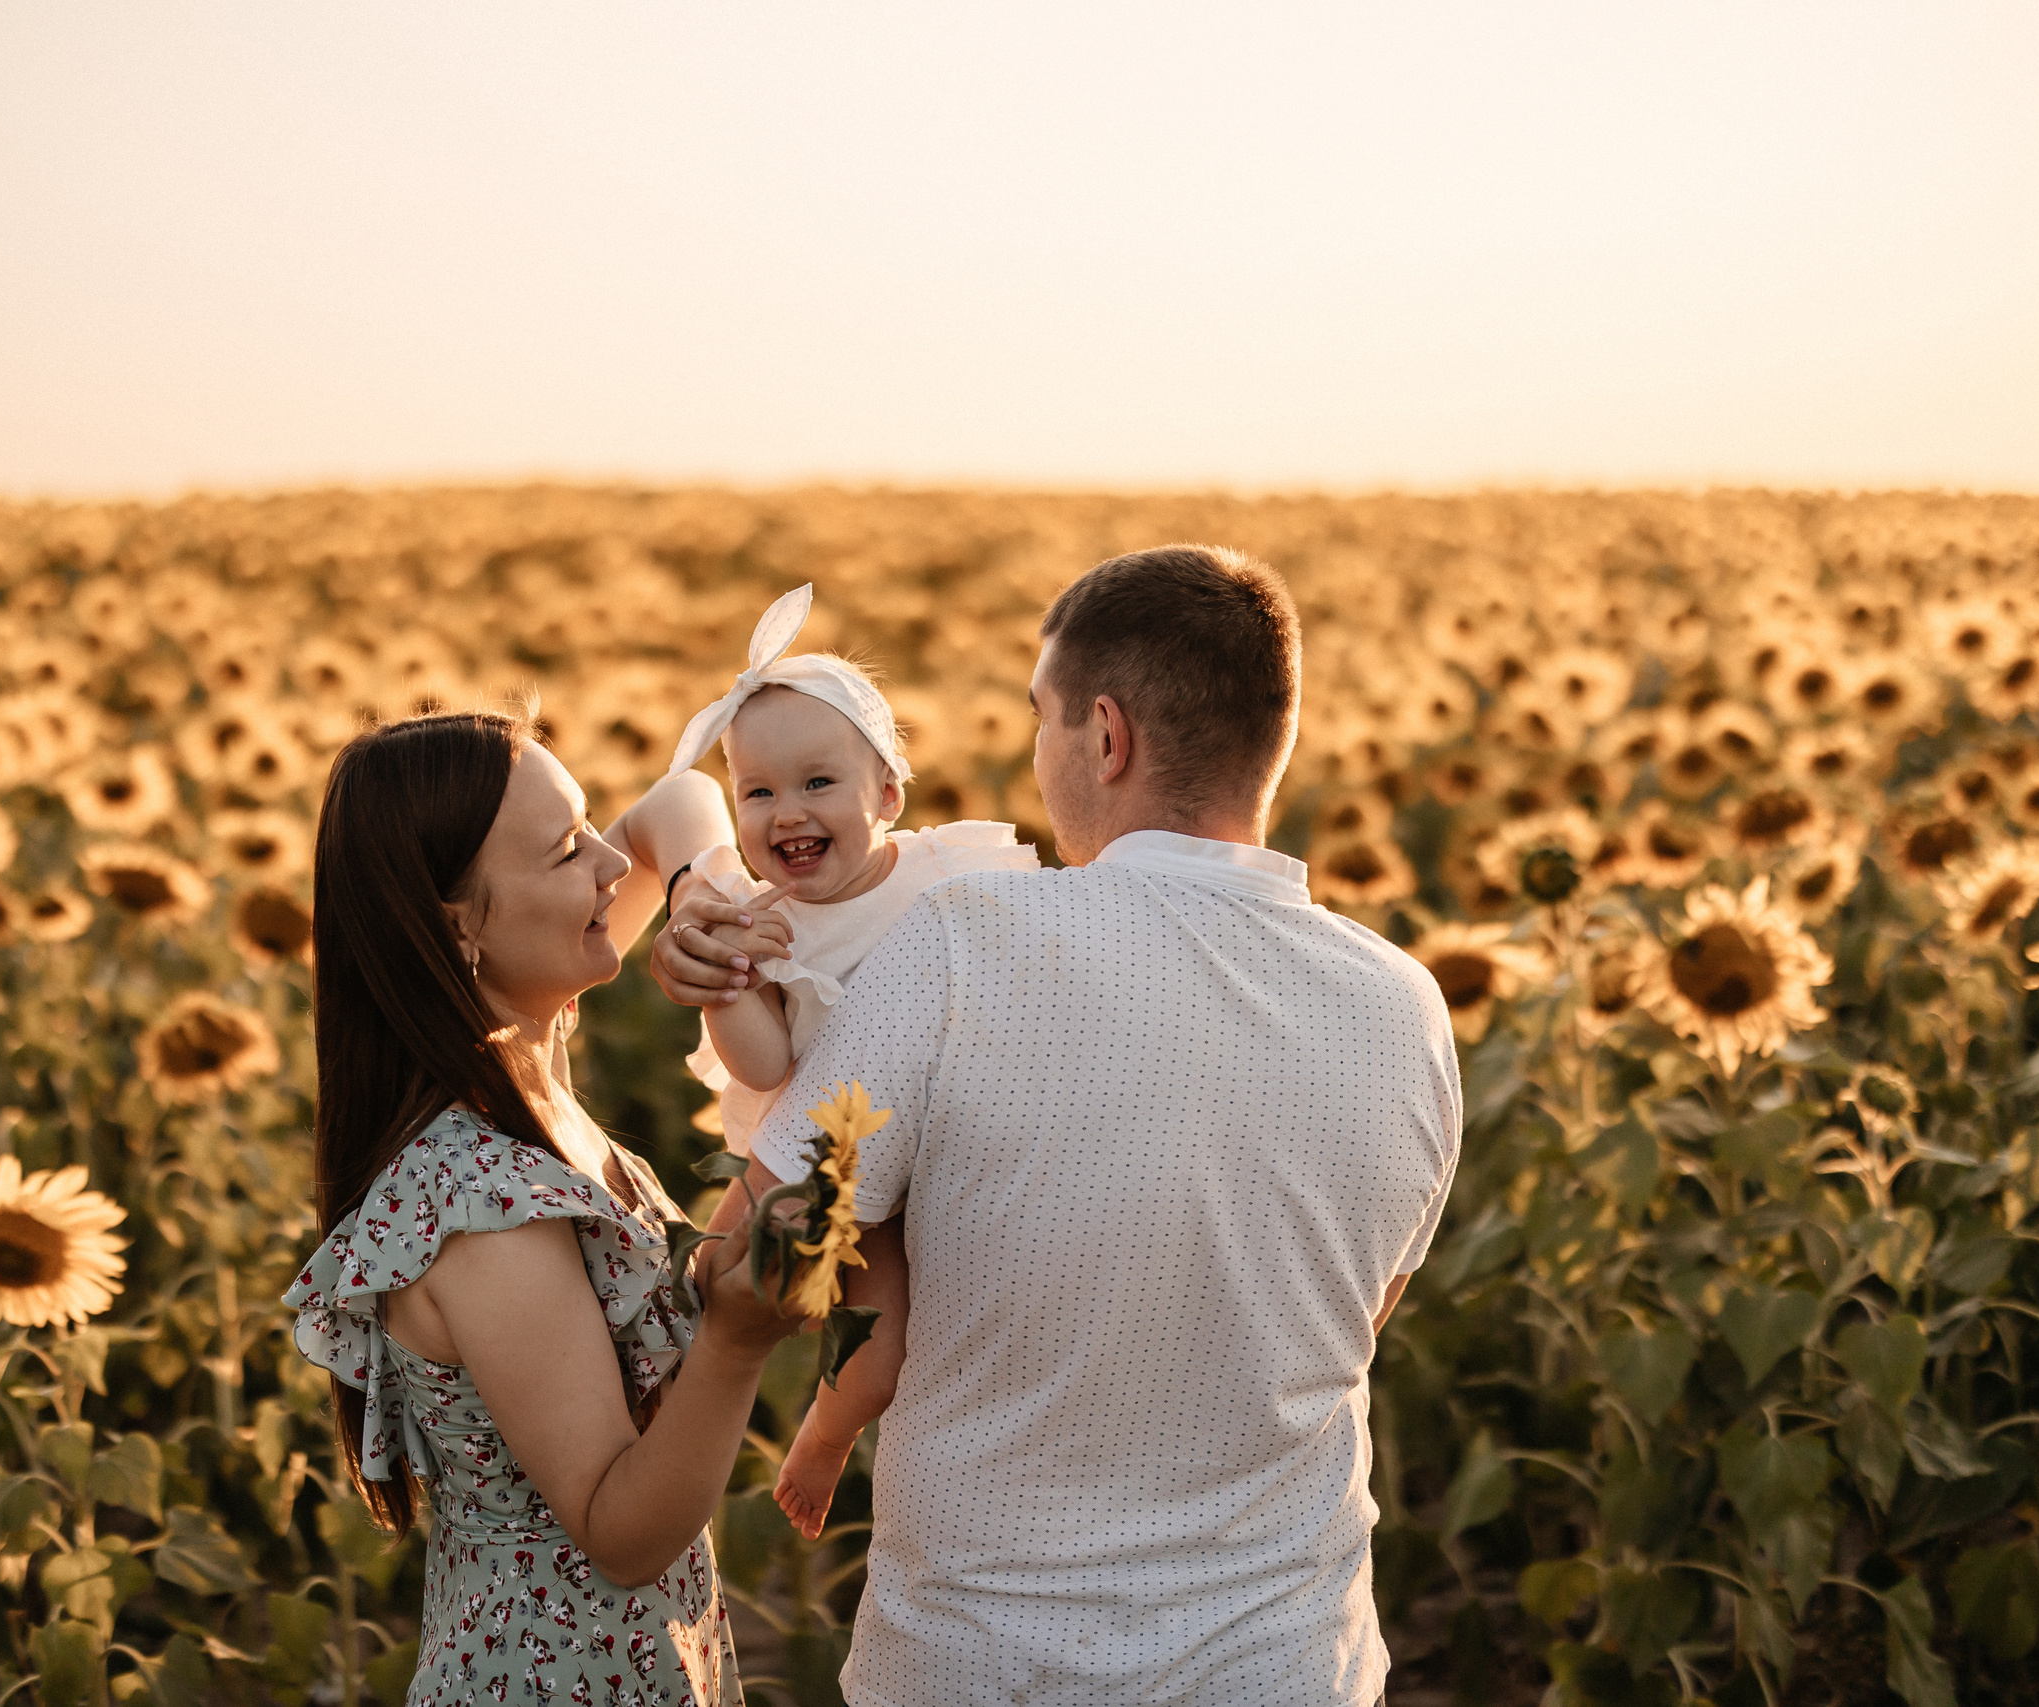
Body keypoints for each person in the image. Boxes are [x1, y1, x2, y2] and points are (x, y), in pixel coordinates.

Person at [654, 546, 1464, 1705]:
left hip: (985, 1663)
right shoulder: (1404, 1006)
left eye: (1041, 719)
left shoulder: (961, 949)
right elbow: (1358, 1312)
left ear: (1104, 734)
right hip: (1285, 1662)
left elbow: (768, 1260)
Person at [284, 711, 816, 1707]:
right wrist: (735, 1342)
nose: (614, 861)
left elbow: (673, 806)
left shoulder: (520, 1052)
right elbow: (618, 1531)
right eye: (569, 849)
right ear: (460, 928)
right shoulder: (487, 1209)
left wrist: (702, 892)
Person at [617, 583, 1037, 1538]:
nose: (785, 812)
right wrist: (730, 981)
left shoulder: (946, 877)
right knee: (710, 1280)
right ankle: (650, 1432)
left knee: (881, 1338)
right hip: (820, 1147)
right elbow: (765, 1069)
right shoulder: (765, 923)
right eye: (757, 792)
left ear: (886, 794)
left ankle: (824, 1436)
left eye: (817, 783)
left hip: (929, 1144)